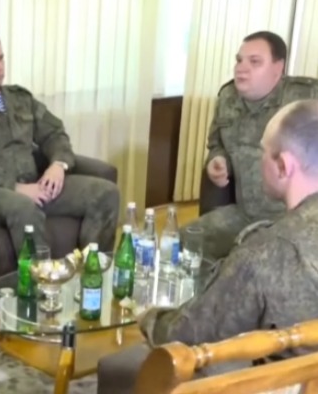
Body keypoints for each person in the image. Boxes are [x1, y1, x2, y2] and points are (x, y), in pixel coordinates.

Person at [98, 99, 318, 393]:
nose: (259, 161)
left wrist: (149, 316)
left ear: (283, 166)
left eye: (263, 151)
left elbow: (187, 334)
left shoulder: (267, 253)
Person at [0, 30, 120, 254]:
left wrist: (58, 165)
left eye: (1, 58)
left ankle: (94, 268)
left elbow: (53, 132)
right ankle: (41, 276)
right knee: (24, 207)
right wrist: (15, 187)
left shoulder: (20, 99)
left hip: (34, 183)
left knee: (105, 193)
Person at [181, 30, 318, 261]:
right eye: (239, 60)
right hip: (244, 214)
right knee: (185, 240)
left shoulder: (306, 96)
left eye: (254, 62)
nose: (241, 68)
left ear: (278, 68)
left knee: (253, 262)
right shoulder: (228, 97)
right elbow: (216, 143)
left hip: (291, 220)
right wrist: (217, 160)